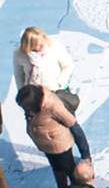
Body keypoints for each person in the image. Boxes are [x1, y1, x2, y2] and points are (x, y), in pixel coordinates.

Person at [16, 27, 91, 161]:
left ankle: (85, 155)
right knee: (42, 128)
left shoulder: (53, 47)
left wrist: (59, 83)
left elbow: (68, 65)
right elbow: (19, 75)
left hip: (56, 93)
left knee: (71, 123)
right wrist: (25, 94)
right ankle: (54, 153)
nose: (40, 46)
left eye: (41, 42)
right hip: (34, 98)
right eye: (36, 45)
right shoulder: (19, 54)